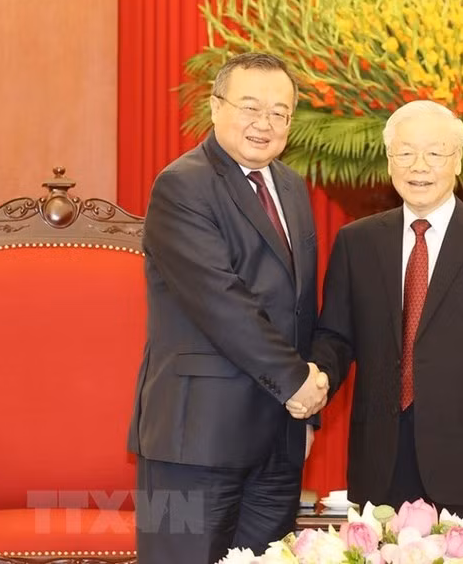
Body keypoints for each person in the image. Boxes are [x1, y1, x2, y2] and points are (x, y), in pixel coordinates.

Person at [292, 100, 463, 528]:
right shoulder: (357, 242)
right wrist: (313, 390)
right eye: (406, 153)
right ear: (389, 160)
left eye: (435, 153)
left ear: (458, 160)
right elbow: (335, 337)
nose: (419, 166)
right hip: (380, 459)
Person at [128, 52, 328, 564]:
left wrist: (305, 417)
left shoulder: (290, 186)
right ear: (216, 107)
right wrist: (298, 383)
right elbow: (221, 302)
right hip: (196, 439)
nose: (265, 123)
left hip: (278, 440)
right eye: (250, 107)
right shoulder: (182, 184)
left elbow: (299, 308)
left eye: (280, 112)